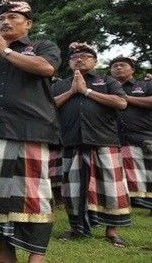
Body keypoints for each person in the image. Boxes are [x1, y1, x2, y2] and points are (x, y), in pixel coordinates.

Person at [0, 0, 60, 263]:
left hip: (30, 129)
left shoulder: (42, 47)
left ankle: (36, 256)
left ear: (28, 24)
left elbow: (46, 68)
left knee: (33, 194)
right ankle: (6, 253)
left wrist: (5, 51)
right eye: (2, 18)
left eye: (13, 18)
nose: (5, 22)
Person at [53, 43, 130, 247]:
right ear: (69, 63)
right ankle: (77, 228)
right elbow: (47, 108)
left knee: (110, 188)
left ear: (95, 61)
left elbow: (121, 103)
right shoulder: (60, 85)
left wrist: (86, 92)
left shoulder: (107, 81)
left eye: (86, 56)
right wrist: (71, 92)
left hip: (104, 140)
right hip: (71, 141)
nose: (79, 59)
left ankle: (112, 231)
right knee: (73, 189)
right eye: (75, 57)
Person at [110, 55, 152, 211]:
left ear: (133, 69)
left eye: (122, 65)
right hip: (116, 138)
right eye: (115, 66)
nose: (118, 68)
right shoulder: (107, 87)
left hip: (144, 136)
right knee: (124, 177)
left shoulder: (145, 85)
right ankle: (129, 205)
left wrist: (125, 98)